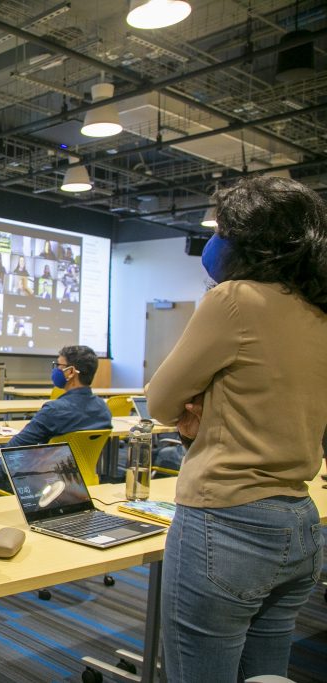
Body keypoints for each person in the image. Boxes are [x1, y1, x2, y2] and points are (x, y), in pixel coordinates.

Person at [146, 176, 327, 681]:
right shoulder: (319, 311)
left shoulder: (234, 299)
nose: (215, 240)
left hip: (225, 521)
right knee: (265, 676)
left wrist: (196, 412)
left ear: (251, 238)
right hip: (300, 522)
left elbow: (160, 402)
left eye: (223, 229)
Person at [0, 345, 112, 494]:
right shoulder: (104, 409)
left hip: (45, 483)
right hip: (83, 481)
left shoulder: (54, 409)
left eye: (58, 365)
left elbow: (12, 448)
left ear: (70, 372)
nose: (55, 370)